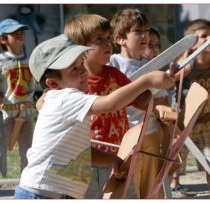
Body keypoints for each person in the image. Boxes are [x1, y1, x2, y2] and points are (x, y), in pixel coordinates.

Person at [13, 34, 175, 199]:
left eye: (81, 63)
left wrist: (111, 160)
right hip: (40, 195)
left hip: (52, 194)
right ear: (53, 84)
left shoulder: (63, 101)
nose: (83, 71)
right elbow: (110, 104)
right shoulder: (65, 98)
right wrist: (146, 81)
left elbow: (79, 152)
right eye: (74, 69)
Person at [64, 14, 162, 199]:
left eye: (108, 38)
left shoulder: (115, 75)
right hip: (86, 161)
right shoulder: (73, 80)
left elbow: (141, 101)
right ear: (79, 47)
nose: (108, 43)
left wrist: (155, 89)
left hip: (119, 158)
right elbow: (46, 102)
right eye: (99, 39)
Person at [109, 9, 171, 198]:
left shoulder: (151, 65)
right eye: (138, 31)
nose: (145, 36)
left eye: (147, 30)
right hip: (124, 136)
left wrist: (166, 112)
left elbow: (160, 101)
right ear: (120, 38)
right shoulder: (113, 64)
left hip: (149, 134)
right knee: (127, 190)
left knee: (150, 189)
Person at [171, 18, 210, 199]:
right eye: (203, 36)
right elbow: (174, 77)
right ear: (192, 41)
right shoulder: (187, 63)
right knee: (175, 162)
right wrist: (185, 54)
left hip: (206, 121)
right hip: (184, 122)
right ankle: (172, 188)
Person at [0, 19, 35, 199]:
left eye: (21, 30)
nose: (19, 33)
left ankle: (26, 186)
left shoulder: (30, 58)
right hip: (6, 113)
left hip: (26, 112)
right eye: (14, 32)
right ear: (3, 39)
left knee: (28, 152)